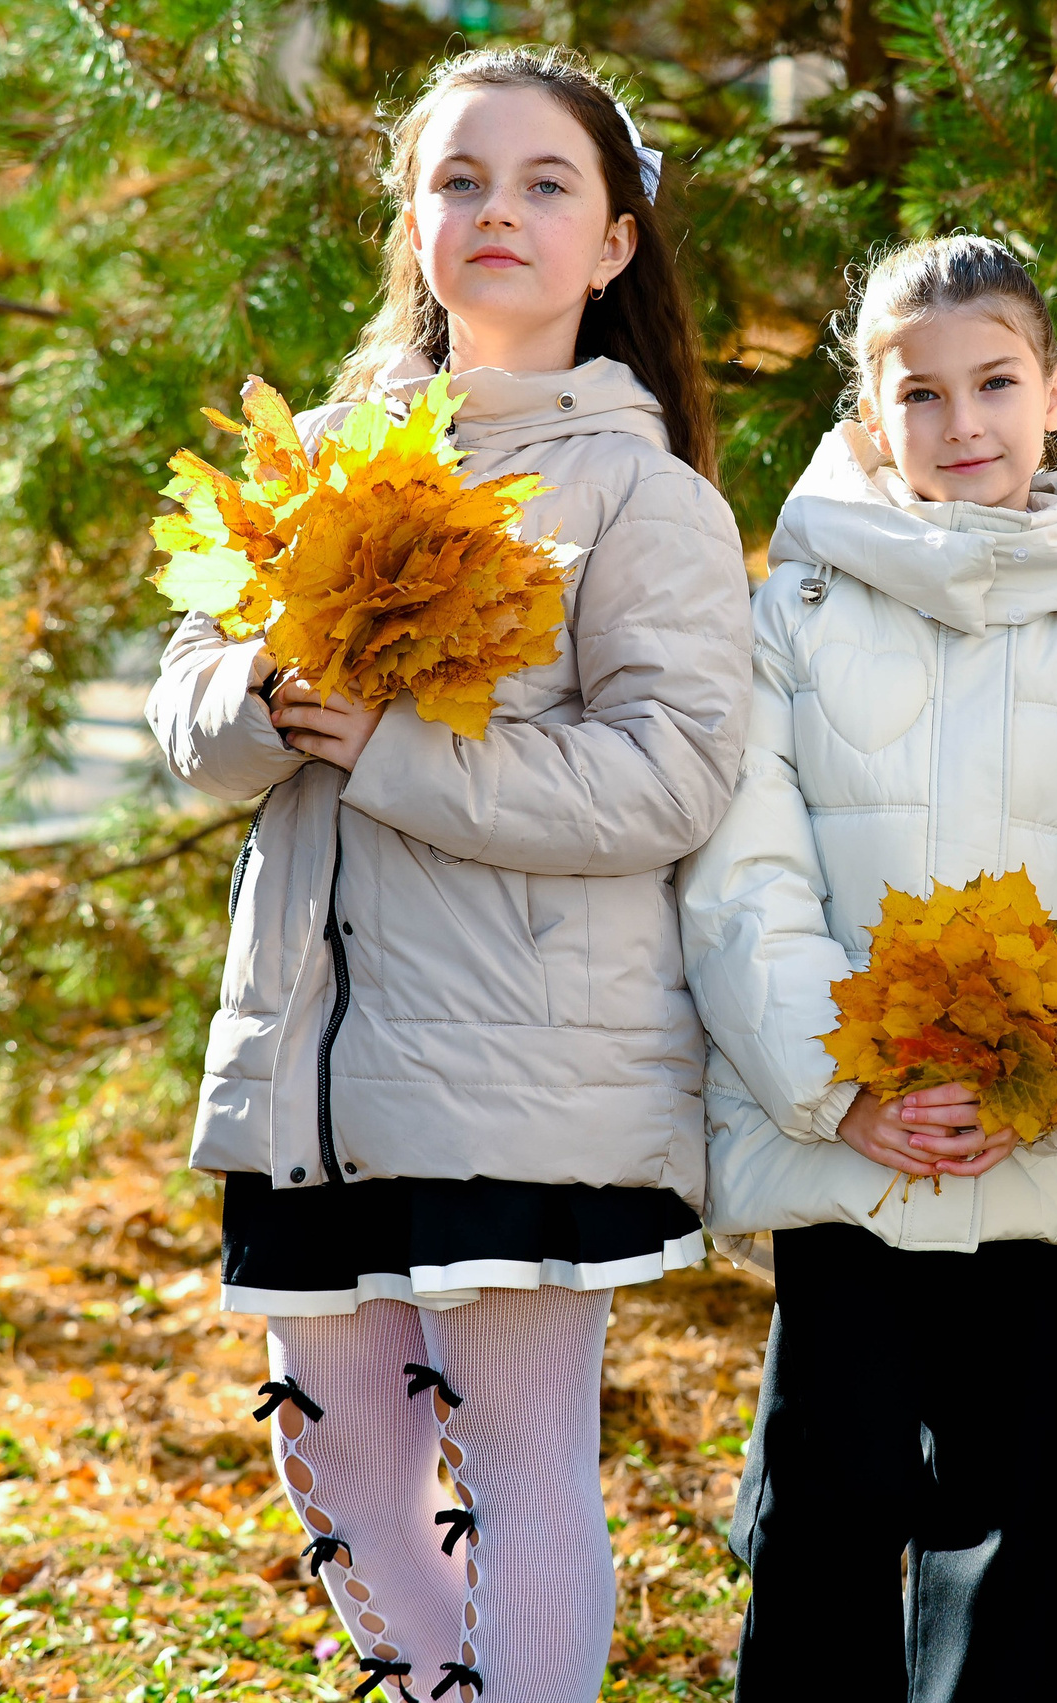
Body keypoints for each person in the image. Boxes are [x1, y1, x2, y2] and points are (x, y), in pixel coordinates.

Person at [144, 46, 750, 1703]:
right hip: (317, 1062)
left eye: (547, 184)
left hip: (525, 1068)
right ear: (412, 221)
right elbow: (185, 705)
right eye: (460, 181)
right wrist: (264, 700)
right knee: (337, 1451)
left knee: (517, 1455)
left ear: (612, 242)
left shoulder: (643, 495)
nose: (498, 212)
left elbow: (672, 778)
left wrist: (394, 752)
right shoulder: (316, 462)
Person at [678, 234, 1057, 1702]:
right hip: (850, 1141)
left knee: (999, 1518)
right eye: (920, 393)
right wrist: (839, 1087)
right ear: (871, 415)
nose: (962, 421)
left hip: (1029, 1142)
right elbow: (745, 878)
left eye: (995, 383)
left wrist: (1036, 1082)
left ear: (1056, 394)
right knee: (829, 1495)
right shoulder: (790, 616)